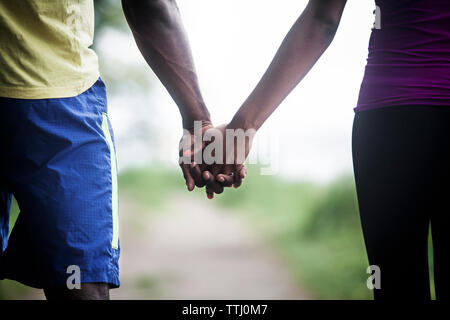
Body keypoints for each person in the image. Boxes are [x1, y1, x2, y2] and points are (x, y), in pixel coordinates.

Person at [190, 0, 450, 299]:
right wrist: (239, 128)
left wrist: (241, 128)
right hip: (390, 115)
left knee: (395, 283)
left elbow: (321, 19)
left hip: (391, 121)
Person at [0, 0, 232, 300]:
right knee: (82, 287)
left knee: (81, 279)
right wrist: (199, 120)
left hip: (60, 100)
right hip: (61, 109)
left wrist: (198, 119)